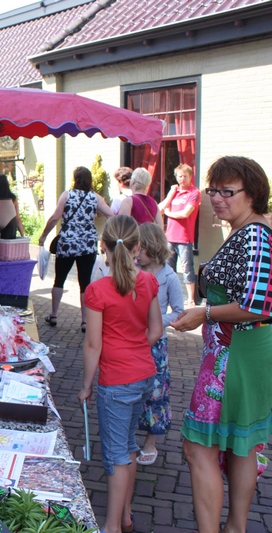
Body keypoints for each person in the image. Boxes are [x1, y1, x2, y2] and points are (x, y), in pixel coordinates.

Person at [170, 156, 272, 533]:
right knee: (241, 443)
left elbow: (257, 304)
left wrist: (204, 313)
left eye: (228, 191)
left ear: (253, 194)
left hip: (235, 357)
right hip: (241, 353)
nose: (217, 198)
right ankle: (235, 527)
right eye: (213, 190)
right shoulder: (248, 231)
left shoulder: (255, 235)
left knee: (198, 447)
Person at [78, 215, 163, 533]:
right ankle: (125, 516)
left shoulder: (97, 290)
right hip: (143, 375)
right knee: (128, 446)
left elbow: (92, 344)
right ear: (137, 246)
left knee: (116, 456)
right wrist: (134, 348)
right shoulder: (148, 282)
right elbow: (155, 330)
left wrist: (86, 385)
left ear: (104, 247)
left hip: (115, 381)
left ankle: (112, 526)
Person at [38, 166, 113, 332]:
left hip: (67, 243)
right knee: (85, 282)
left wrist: (44, 235)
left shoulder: (67, 195)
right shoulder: (95, 197)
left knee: (59, 279)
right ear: (89, 180)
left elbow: (55, 217)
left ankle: (54, 314)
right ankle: (85, 321)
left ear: (75, 179)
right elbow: (111, 215)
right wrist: (106, 237)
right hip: (87, 244)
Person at [134, 222, 184, 466]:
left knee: (156, 391)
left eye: (140, 250)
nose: (136, 255)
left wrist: (155, 321)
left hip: (155, 344)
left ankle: (150, 441)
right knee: (130, 387)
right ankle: (128, 433)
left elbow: (179, 312)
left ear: (152, 249)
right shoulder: (132, 271)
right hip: (132, 339)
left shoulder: (169, 276)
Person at [158, 164, 202, 307]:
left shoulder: (194, 193)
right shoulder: (175, 192)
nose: (182, 179)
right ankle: (170, 298)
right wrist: (170, 194)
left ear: (190, 177)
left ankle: (190, 299)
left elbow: (185, 213)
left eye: (185, 176)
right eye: (179, 176)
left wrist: (169, 213)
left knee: (187, 268)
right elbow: (160, 209)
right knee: (168, 269)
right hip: (169, 236)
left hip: (184, 237)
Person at [0, 173, 25, 239]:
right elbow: (17, 218)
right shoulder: (12, 198)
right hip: (9, 223)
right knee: (8, 247)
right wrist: (23, 235)